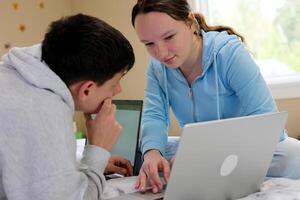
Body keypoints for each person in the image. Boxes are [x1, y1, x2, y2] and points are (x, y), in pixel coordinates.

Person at [131, 0, 300, 194]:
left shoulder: (229, 53)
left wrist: (206, 154)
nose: (160, 52)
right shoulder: (157, 67)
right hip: (196, 147)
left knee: (294, 155)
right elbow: (155, 116)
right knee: (144, 151)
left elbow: (268, 123)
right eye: (149, 44)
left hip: (246, 147)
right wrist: (152, 153)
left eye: (169, 37)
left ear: (190, 22)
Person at [0, 13, 135, 199]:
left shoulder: (16, 74)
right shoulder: (45, 111)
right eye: (115, 83)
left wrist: (81, 164)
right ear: (86, 89)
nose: (117, 90)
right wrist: (99, 149)